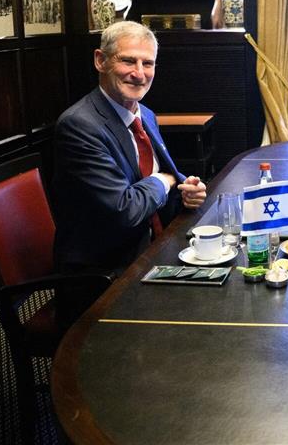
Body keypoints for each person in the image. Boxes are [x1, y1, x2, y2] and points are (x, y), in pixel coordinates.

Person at [52, 21, 207, 277]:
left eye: (147, 64)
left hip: (155, 248)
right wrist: (164, 179)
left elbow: (155, 186)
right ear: (101, 61)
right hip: (107, 272)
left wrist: (185, 192)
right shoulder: (79, 126)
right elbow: (125, 210)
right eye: (128, 61)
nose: (139, 73)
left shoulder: (144, 115)